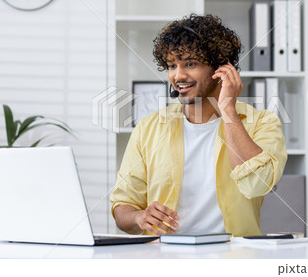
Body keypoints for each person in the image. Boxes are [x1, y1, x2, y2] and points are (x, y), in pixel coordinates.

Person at [110, 14, 287, 237]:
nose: (178, 75)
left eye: (190, 64)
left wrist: (228, 110)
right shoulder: (148, 128)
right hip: (165, 258)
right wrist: (139, 217)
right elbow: (122, 208)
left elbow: (256, 185)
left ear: (221, 68)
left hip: (234, 259)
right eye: (171, 65)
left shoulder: (262, 123)